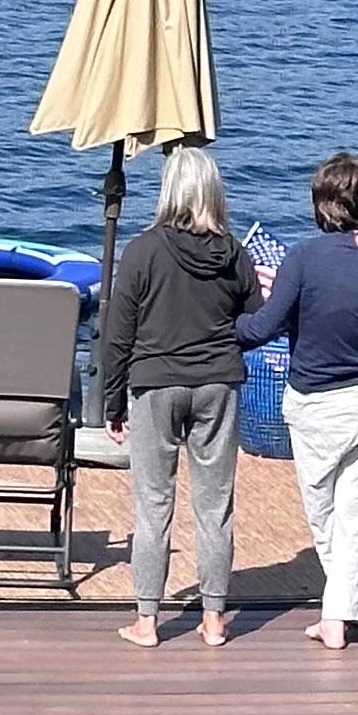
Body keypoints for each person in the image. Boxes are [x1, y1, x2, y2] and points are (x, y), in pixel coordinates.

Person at [230, 150, 358, 650]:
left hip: (319, 405)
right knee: (354, 516)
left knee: (327, 516)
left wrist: (221, 325)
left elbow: (261, 330)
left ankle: (334, 622)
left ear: (322, 206)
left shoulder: (304, 258)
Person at [92, 144, 258, 648]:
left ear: (169, 191)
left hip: (155, 384)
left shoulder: (144, 250)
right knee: (215, 506)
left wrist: (112, 401)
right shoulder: (233, 254)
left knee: (153, 505)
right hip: (217, 384)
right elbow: (254, 318)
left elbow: (117, 334)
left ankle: (147, 620)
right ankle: (212, 618)